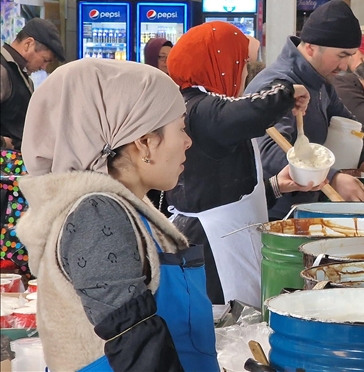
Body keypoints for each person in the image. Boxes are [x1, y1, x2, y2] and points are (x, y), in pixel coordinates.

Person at [16, 58, 218, 372]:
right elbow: (137, 352)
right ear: (145, 142)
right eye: (181, 128)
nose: (188, 142)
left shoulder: (125, 205)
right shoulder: (95, 216)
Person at [164, 22, 313, 306]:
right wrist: (287, 91)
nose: (244, 72)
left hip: (220, 240)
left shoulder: (198, 106)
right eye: (242, 63)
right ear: (221, 63)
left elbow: (215, 185)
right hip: (214, 250)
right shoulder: (203, 109)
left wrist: (275, 187)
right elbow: (253, 112)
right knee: (228, 335)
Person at [246, 0, 364, 219]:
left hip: (305, 209)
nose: (344, 67)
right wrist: (332, 176)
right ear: (311, 47)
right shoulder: (278, 85)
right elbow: (268, 151)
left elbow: (349, 124)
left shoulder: (321, 82)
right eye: (341, 55)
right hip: (274, 216)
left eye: (350, 57)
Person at [1, 18, 65, 150]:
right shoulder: (2, 71)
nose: (44, 67)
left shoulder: (22, 75)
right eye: (45, 60)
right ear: (28, 44)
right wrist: (2, 143)